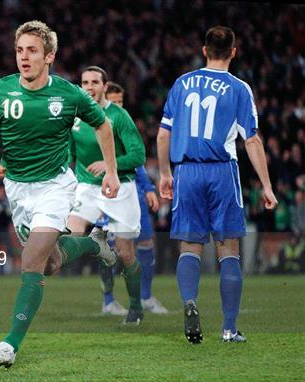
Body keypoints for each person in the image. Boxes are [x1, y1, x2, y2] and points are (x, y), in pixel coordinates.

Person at [0, 20, 120, 368]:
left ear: (49, 56)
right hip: (17, 189)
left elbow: (103, 125)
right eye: (19, 50)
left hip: (55, 186)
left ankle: (10, 344)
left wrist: (111, 170)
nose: (24, 57)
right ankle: (95, 244)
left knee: (31, 262)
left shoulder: (68, 94)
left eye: (32, 50)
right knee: (48, 265)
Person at [157, 26, 277, 344]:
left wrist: (165, 173)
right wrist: (266, 185)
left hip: (187, 172)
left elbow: (163, 134)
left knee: (190, 246)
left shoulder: (182, 84)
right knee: (229, 250)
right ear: (233, 52)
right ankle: (229, 328)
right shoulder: (239, 88)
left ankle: (189, 302)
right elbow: (251, 139)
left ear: (204, 50)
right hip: (222, 171)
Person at [68, 67, 146, 324]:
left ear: (105, 86)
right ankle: (95, 244)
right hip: (88, 187)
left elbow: (138, 156)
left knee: (125, 254)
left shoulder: (119, 116)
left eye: (94, 82)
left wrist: (109, 164)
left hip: (120, 187)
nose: (89, 87)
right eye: (84, 82)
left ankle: (135, 307)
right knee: (72, 232)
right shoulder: (76, 118)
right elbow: (69, 156)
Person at [103, 82, 169, 314]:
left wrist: (148, 188)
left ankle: (146, 297)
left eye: (122, 102)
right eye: (115, 102)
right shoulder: (97, 125)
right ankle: (109, 300)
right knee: (111, 250)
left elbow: (136, 161)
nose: (119, 106)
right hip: (107, 193)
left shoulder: (123, 123)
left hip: (133, 193)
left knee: (146, 242)